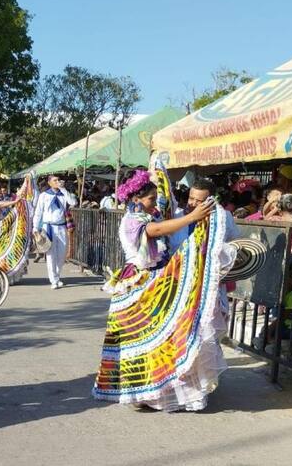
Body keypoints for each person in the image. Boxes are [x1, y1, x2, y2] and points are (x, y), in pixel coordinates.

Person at [93, 164, 231, 412]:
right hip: (139, 283)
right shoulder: (132, 220)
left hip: (159, 283)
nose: (154, 201)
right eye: (150, 198)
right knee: (143, 341)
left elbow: (163, 216)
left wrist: (163, 177)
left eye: (155, 197)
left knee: (165, 339)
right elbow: (153, 231)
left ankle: (163, 393)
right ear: (136, 198)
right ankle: (143, 392)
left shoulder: (150, 214)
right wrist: (190, 218)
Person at [0, 178, 35, 284]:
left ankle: (10, 277)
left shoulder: (7, 198)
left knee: (10, 254)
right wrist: (14, 201)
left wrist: (26, 183)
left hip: (9, 231)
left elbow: (19, 196)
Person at [33, 174, 77, 288]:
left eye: (58, 180)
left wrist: (63, 189)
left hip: (61, 227)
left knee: (62, 254)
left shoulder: (64, 194)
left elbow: (73, 202)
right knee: (51, 254)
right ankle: (53, 280)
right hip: (49, 227)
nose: (57, 181)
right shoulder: (44, 195)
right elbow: (38, 212)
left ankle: (57, 275)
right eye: (55, 180)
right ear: (49, 182)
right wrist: (35, 227)